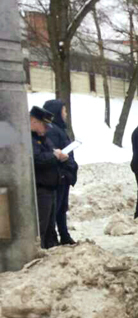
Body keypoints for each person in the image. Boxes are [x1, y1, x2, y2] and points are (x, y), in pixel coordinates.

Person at [30, 106, 67, 249]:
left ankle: (50, 249)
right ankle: (42, 251)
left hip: (51, 188)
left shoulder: (42, 138)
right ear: (33, 122)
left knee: (50, 226)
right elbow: (37, 159)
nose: (47, 128)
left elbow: (50, 152)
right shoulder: (30, 139)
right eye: (44, 125)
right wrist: (54, 155)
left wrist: (58, 155)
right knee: (42, 226)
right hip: (41, 189)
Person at [43, 99, 78, 246]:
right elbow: (53, 152)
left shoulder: (59, 129)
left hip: (64, 175)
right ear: (56, 112)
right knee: (55, 209)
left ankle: (64, 235)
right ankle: (51, 239)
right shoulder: (51, 130)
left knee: (62, 208)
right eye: (64, 111)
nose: (66, 114)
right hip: (59, 176)